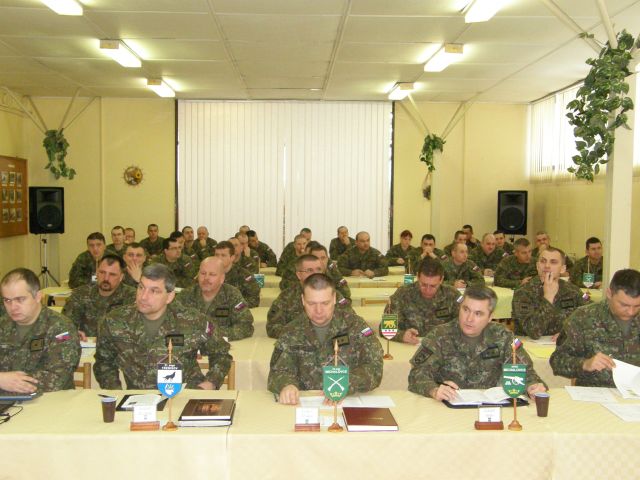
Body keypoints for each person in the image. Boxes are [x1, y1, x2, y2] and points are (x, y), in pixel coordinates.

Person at [94, 264, 232, 390]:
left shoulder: (193, 321)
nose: (143, 297)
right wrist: (116, 393)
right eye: (141, 287)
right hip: (138, 400)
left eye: (154, 291)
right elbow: (104, 362)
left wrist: (210, 383)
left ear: (169, 296)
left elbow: (221, 354)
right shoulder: (114, 321)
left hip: (184, 396)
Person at [408, 286, 546, 401]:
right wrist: (434, 390)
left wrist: (532, 386)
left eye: (478, 314)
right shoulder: (439, 335)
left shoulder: (504, 336)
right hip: (449, 407)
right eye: (466, 310)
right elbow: (417, 374)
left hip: (492, 408)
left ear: (490, 317)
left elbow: (524, 371)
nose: (469, 318)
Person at [268, 273, 383, 404]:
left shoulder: (355, 326)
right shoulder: (291, 331)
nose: (318, 310)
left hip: (346, 401)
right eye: (311, 303)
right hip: (305, 403)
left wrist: (346, 383)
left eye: (325, 303)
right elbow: (278, 371)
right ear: (303, 300)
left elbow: (374, 366)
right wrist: (287, 385)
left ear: (334, 299)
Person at [551, 269, 640, 387]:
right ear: (609, 293)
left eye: (637, 306)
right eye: (624, 305)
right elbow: (557, 361)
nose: (630, 312)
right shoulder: (583, 317)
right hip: (595, 392)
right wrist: (585, 364)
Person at [0, 268, 80, 393]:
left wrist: (8, 383)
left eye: (20, 299)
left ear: (38, 296)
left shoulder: (61, 328)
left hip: (48, 400)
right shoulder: (3, 324)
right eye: (7, 300)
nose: (13, 307)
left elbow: (57, 377)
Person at [267, 255, 354, 338]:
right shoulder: (286, 297)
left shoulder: (334, 294)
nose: (315, 274)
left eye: (318, 269)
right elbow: (273, 327)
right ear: (299, 275)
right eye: (309, 270)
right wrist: (302, 334)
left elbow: (352, 321)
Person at [511, 248, 589, 339]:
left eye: (553, 262)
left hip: (564, 344)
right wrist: (548, 297)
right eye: (543, 261)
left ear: (562, 269)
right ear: (537, 266)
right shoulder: (523, 292)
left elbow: (593, 313)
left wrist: (570, 331)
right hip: (531, 344)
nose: (547, 266)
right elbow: (533, 332)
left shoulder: (573, 290)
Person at [177, 257, 254, 341]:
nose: (206, 278)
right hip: (191, 345)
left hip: (223, 345)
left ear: (222, 278)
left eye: (212, 274)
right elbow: (170, 323)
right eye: (203, 273)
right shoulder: (185, 295)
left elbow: (246, 326)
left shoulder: (231, 295)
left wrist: (213, 334)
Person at [385, 259, 460, 344]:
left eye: (433, 286)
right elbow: (385, 328)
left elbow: (465, 326)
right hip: (409, 347)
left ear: (441, 280)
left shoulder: (453, 295)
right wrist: (402, 336)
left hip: (444, 347)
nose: (428, 290)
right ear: (417, 276)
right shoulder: (402, 294)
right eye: (423, 284)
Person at [62, 254, 136, 340]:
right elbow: (61, 334)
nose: (106, 278)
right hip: (85, 345)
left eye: (112, 274)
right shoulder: (80, 294)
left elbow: (138, 333)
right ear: (97, 273)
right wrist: (71, 335)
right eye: (102, 272)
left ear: (121, 277)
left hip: (118, 346)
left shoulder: (131, 296)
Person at [214, 241, 260, 308]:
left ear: (232, 258)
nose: (219, 258)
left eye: (223, 255)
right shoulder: (207, 274)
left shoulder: (244, 275)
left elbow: (253, 300)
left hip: (235, 312)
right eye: (217, 255)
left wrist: (234, 307)